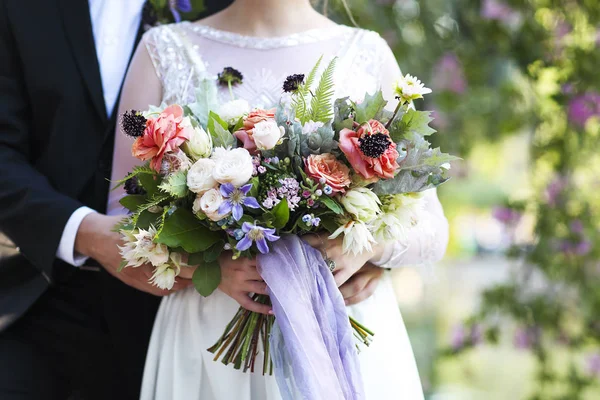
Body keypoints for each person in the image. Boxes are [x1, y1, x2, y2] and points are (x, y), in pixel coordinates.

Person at [0, 1, 383, 398]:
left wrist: (370, 248)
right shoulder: (30, 12)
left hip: (203, 309)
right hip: (49, 296)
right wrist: (83, 231)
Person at [108, 0, 450, 399]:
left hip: (337, 323)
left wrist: (367, 249)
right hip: (209, 334)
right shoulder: (163, 50)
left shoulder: (366, 52)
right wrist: (207, 266)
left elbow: (432, 227)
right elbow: (122, 222)